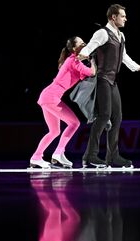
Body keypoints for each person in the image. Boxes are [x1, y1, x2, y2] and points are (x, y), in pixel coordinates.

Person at [77, 4, 140, 168]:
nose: (125, 18)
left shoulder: (121, 36)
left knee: (117, 117)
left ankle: (113, 157)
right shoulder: (103, 33)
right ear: (113, 17)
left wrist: (136, 67)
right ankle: (90, 156)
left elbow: (123, 56)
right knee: (104, 116)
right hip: (102, 79)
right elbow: (90, 46)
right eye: (122, 16)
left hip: (112, 81)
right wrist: (84, 54)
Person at [30, 36, 96, 169]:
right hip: (51, 97)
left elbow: (86, 73)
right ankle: (58, 153)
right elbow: (92, 72)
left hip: (48, 96)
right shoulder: (73, 61)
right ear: (74, 48)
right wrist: (94, 59)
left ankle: (36, 157)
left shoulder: (75, 62)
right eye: (82, 43)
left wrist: (89, 59)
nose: (85, 44)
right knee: (74, 123)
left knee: (54, 131)